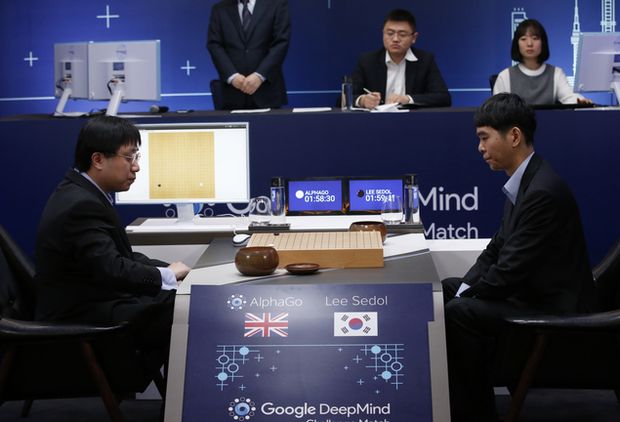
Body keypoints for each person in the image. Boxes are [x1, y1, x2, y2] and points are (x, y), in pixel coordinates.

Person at [442, 93, 594, 421]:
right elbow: (496, 250)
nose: (480, 148)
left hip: (552, 307)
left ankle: (475, 413)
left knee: (458, 312)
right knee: (446, 290)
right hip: (530, 293)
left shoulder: (541, 191)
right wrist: (463, 287)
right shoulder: (524, 181)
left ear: (513, 136)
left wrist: (467, 296)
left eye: (485, 138)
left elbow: (508, 272)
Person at [34, 115, 191, 379]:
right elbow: (112, 269)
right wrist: (165, 276)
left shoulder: (81, 191)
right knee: (186, 308)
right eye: (130, 158)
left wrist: (169, 271)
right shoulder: (80, 205)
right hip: (81, 314)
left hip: (93, 299)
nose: (137, 167)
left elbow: (119, 256)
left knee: (180, 298)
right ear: (98, 160)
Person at [352, 9, 451, 109]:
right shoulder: (367, 61)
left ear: (414, 38)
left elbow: (443, 97)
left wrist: (408, 99)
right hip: (377, 121)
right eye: (390, 33)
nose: (395, 39)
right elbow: (343, 99)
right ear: (383, 34)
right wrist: (362, 100)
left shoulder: (425, 60)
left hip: (413, 121)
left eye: (402, 34)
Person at [207, 0, 291, 110]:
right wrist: (232, 77)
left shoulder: (276, 5)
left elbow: (281, 43)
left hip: (267, 92)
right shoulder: (219, 9)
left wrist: (259, 75)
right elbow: (214, 44)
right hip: (232, 93)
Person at [493, 19, 592, 105]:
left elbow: (569, 97)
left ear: (543, 42)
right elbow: (497, 111)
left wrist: (581, 101)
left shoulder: (556, 74)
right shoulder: (505, 76)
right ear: (516, 44)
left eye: (535, 38)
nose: (529, 43)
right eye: (523, 39)